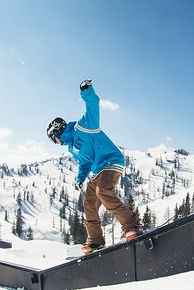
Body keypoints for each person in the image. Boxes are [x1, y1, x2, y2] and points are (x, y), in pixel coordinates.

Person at [47, 79, 141, 255]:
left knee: (103, 192)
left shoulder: (83, 127)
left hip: (111, 161)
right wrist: (80, 178)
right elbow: (85, 162)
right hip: (97, 170)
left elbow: (93, 104)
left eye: (54, 138)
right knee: (89, 203)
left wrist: (86, 90)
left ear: (58, 130)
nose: (55, 142)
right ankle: (95, 242)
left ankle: (132, 225)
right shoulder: (71, 146)